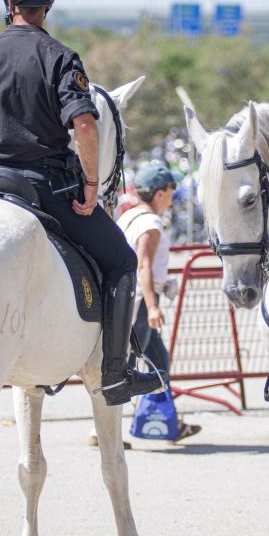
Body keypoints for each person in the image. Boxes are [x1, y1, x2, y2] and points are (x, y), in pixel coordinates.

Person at [0, 0, 163, 405]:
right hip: (45, 189)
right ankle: (115, 374)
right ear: (48, 4)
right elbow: (86, 127)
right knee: (122, 263)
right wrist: (92, 188)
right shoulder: (60, 57)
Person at [108, 163, 201, 443]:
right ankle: (106, 430)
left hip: (124, 300)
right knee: (128, 366)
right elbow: (143, 266)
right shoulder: (151, 224)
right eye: (171, 188)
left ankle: (167, 420)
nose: (173, 194)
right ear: (160, 193)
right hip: (139, 303)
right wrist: (153, 306)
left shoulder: (129, 217)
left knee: (157, 360)